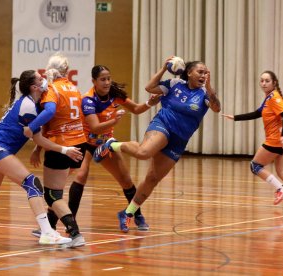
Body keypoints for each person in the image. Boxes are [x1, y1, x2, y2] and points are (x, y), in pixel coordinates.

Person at [0, 70, 83, 245]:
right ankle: (47, 232)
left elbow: (38, 136)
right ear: (35, 87)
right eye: (41, 79)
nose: (45, 80)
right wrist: (65, 150)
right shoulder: (29, 107)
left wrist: (61, 150)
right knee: (32, 183)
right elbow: (40, 134)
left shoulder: (31, 103)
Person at [93, 57, 221, 232]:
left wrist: (209, 86)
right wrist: (163, 69)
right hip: (163, 125)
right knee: (144, 152)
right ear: (189, 73)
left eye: (206, 72)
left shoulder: (205, 95)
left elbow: (216, 108)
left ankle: (127, 213)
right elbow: (149, 88)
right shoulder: (175, 83)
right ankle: (112, 144)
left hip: (179, 140)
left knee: (153, 178)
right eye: (200, 71)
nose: (203, 75)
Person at [66, 65, 161, 231]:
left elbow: (137, 109)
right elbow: (95, 127)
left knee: (125, 179)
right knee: (81, 174)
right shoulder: (88, 100)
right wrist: (114, 122)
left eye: (108, 78)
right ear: (94, 81)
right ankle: (70, 222)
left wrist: (149, 103)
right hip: (85, 142)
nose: (107, 82)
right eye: (102, 79)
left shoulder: (115, 95)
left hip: (105, 143)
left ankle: (136, 215)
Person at [222, 70, 283, 209]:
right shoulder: (269, 98)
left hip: (277, 139)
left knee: (255, 166)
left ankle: (280, 188)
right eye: (262, 80)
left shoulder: (274, 97)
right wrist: (235, 117)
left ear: (274, 83)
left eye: (267, 81)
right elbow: (258, 113)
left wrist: (282, 136)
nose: (263, 83)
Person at [26, 53, 87, 247]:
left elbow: (50, 113)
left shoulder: (52, 89)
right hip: (80, 144)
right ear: (66, 71)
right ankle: (48, 228)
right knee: (57, 189)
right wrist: (38, 148)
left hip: (62, 147)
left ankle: (75, 234)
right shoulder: (74, 89)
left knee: (52, 195)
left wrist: (31, 127)